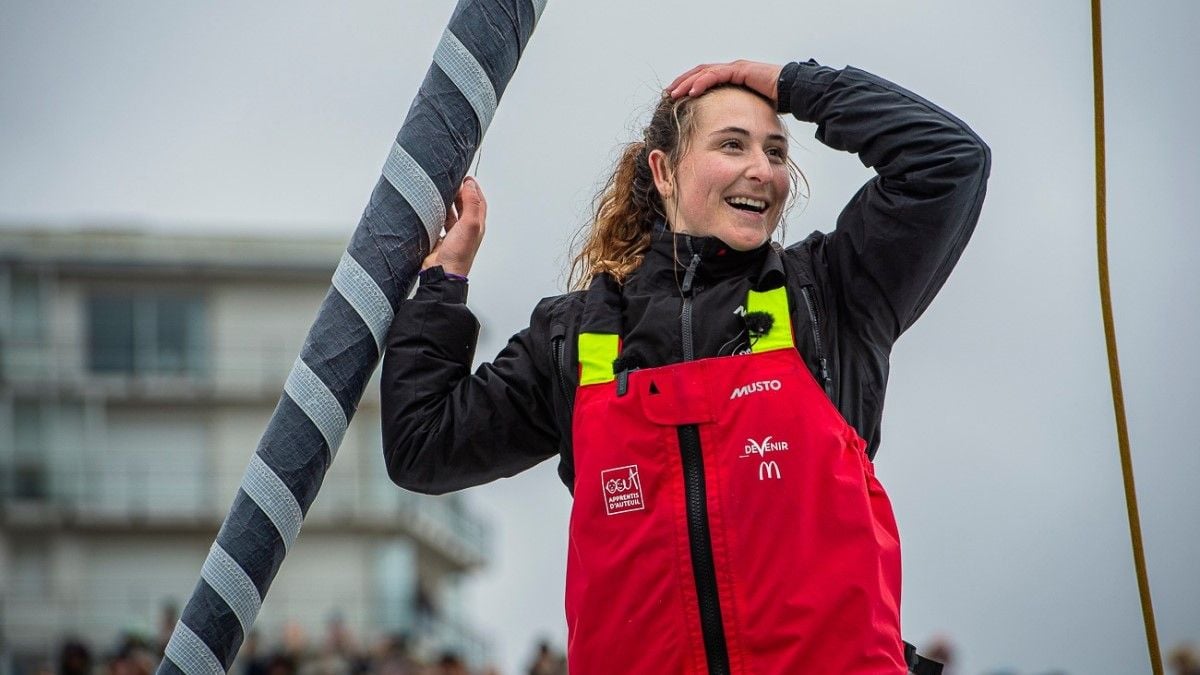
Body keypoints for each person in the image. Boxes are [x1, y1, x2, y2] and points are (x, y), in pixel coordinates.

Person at [381, 59, 990, 674]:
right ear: (664, 170)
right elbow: (424, 447)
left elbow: (947, 161)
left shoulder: (830, 297)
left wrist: (789, 84)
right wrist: (441, 284)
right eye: (732, 144)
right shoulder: (574, 335)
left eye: (776, 152)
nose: (762, 169)